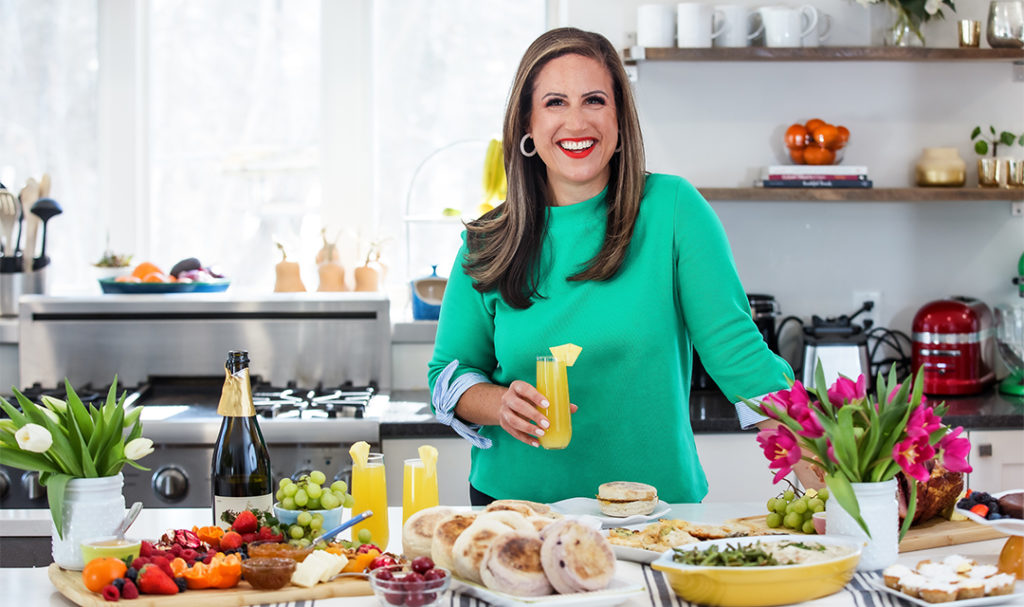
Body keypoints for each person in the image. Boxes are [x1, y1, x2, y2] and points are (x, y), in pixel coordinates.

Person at [428, 27, 803, 506]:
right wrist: (498, 405)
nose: (577, 121)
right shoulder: (487, 240)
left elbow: (739, 354)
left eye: (595, 100)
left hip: (655, 512)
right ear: (526, 124)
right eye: (555, 103)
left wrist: (842, 478)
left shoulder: (672, 209)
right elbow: (448, 374)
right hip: (516, 512)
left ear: (620, 118)